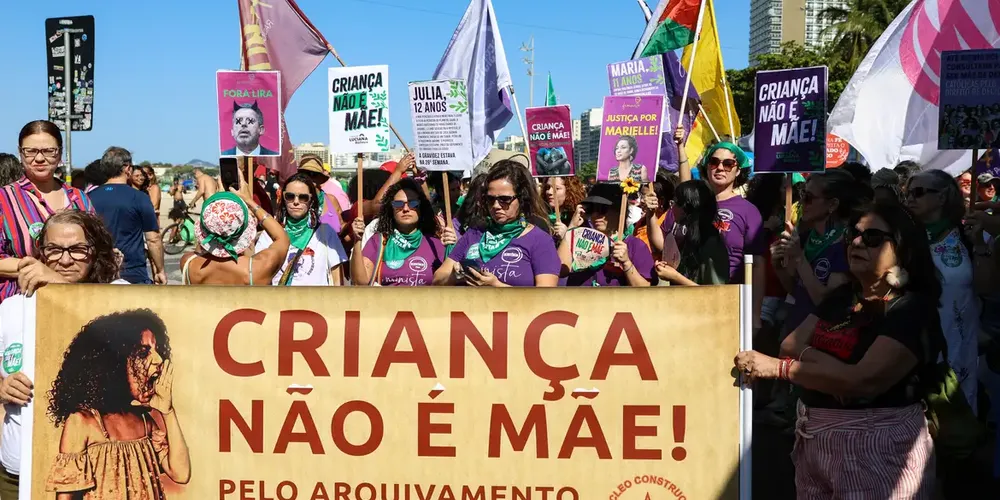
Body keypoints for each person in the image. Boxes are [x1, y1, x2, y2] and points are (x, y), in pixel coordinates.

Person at [735, 202, 941, 499]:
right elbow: (789, 344)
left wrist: (784, 368)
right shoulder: (843, 297)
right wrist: (836, 372)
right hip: (814, 442)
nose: (856, 243)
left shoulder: (911, 309)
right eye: (852, 235)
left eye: (872, 237)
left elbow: (863, 381)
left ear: (903, 249)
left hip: (877, 449)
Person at [0, 211, 129, 499]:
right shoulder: (11, 308)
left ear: (96, 251)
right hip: (16, 474)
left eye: (78, 249)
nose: (66, 260)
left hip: (94, 478)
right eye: (54, 250)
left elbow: (112, 341)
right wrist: (2, 387)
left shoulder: (121, 294)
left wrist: (61, 288)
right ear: (41, 253)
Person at [44, 309, 191, 497]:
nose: (158, 360)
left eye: (156, 350)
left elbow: (181, 473)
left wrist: (167, 411)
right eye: (143, 352)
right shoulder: (82, 422)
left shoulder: (144, 421)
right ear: (114, 362)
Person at [906, 170, 983, 411]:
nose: (910, 198)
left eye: (918, 192)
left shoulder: (968, 236)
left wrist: (982, 246)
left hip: (958, 345)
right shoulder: (901, 237)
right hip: (911, 345)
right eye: (908, 193)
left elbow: (987, 287)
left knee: (955, 419)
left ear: (941, 197)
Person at [651, 127, 763, 285]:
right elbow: (662, 244)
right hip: (681, 293)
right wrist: (650, 214)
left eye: (728, 164)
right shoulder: (688, 204)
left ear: (738, 170)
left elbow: (757, 263)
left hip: (726, 293)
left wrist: (754, 301)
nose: (720, 168)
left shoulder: (748, 211)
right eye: (714, 162)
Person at [0, 120, 94, 302]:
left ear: (60, 153)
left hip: (75, 300)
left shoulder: (79, 198)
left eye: (49, 151)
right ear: (20, 153)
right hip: (21, 301)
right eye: (31, 151)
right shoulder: (4, 199)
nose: (39, 158)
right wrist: (34, 268)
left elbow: (96, 246)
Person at [434, 160, 560, 287]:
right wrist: (455, 276)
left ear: (522, 199)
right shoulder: (474, 233)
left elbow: (545, 295)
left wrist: (496, 286)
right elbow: (438, 279)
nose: (496, 206)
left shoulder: (540, 240)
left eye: (504, 199)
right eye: (490, 199)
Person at [771, 169, 857, 335]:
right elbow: (796, 291)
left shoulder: (846, 243)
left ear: (832, 205)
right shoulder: (805, 238)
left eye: (809, 197)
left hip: (821, 337)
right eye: (802, 194)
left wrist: (799, 258)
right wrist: (778, 266)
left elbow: (824, 302)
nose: (801, 202)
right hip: (795, 329)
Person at [88, 147, 166, 285]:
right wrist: (160, 270)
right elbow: (153, 239)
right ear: (127, 168)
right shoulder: (139, 197)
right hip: (132, 272)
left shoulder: (88, 198)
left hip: (98, 272)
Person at [180, 189, 289, 285]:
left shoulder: (188, 263)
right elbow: (282, 238)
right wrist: (249, 202)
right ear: (244, 232)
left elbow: (201, 249)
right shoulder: (256, 269)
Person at [351, 178, 445, 286]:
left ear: (421, 208)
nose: (406, 209)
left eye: (413, 203)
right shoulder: (377, 241)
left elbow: (448, 282)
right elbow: (360, 282)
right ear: (391, 209)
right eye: (398, 204)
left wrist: (452, 246)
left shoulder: (434, 244)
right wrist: (357, 240)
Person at [256, 173, 347, 286]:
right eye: (290, 196)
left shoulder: (325, 232)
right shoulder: (270, 234)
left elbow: (337, 279)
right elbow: (258, 273)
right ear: (283, 198)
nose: (296, 201)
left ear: (311, 201)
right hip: (279, 297)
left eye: (303, 197)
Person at [559, 183, 653, 287]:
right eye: (591, 209)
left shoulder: (635, 245)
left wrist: (626, 263)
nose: (595, 214)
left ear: (618, 211)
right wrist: (572, 227)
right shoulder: (578, 240)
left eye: (602, 209)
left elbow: (644, 290)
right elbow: (560, 270)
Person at [654, 180, 729, 285]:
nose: (672, 207)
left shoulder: (711, 245)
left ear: (686, 208)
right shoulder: (688, 238)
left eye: (675, 203)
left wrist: (674, 276)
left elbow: (715, 292)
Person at [297, 156, 346, 232]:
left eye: (314, 174)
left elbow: (342, 227)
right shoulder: (291, 199)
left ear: (320, 178)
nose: (309, 178)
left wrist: (353, 228)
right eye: (304, 174)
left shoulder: (330, 200)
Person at [540, 176, 586, 241]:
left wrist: (566, 235)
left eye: (557, 188)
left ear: (569, 191)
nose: (549, 192)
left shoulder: (578, 217)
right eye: (547, 187)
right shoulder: (540, 215)